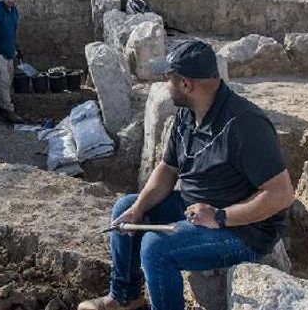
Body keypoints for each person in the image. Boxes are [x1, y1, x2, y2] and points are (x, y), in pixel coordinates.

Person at [78, 40, 295, 310]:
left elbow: (281, 194)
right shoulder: (187, 114)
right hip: (194, 208)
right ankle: (125, 298)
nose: (165, 85)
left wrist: (220, 216)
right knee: (126, 209)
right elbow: (168, 169)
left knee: (156, 248)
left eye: (168, 78)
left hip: (244, 230)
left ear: (185, 84)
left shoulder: (245, 124)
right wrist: (138, 208)